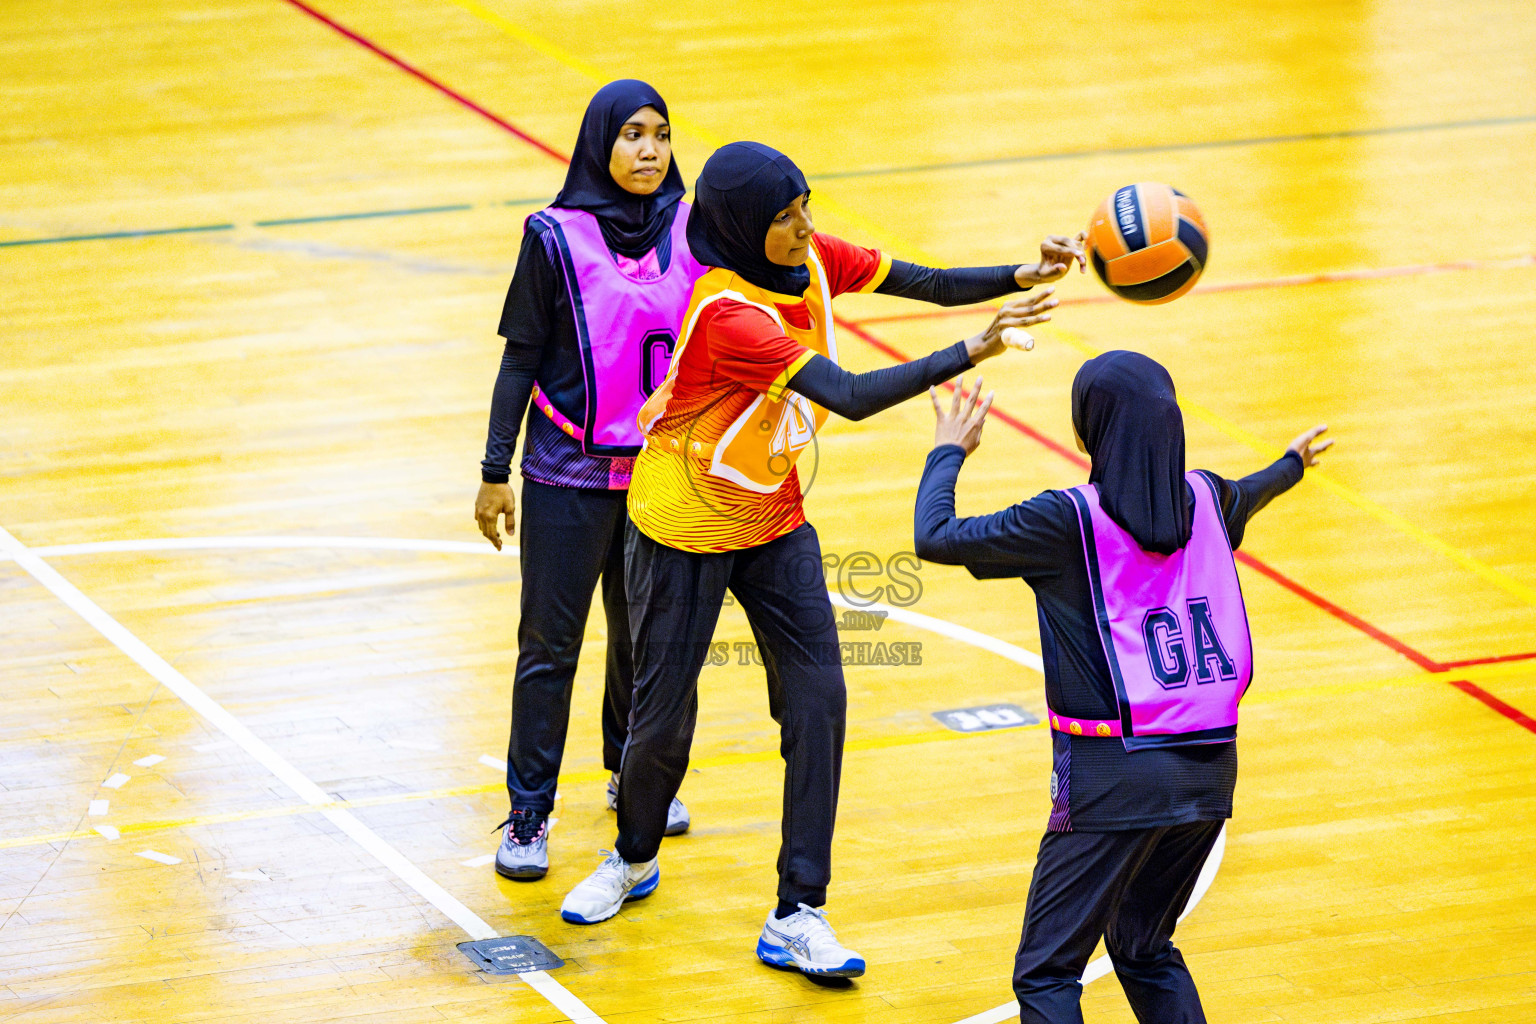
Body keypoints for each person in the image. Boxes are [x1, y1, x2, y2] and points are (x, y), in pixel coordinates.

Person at [558, 140, 1087, 981]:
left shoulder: (807, 259)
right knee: (660, 722)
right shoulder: (729, 315)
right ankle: (632, 855)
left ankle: (799, 912)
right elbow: (849, 394)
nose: (806, 225)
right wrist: (970, 353)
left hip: (772, 523)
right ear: (740, 229)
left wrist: (1022, 274)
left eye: (807, 204)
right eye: (785, 216)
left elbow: (925, 281)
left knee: (820, 707)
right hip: (681, 529)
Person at [913, 351, 1332, 1023]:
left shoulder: (1064, 521)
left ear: (1089, 432)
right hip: (1210, 775)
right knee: (1142, 944)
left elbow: (935, 536)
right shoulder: (1208, 499)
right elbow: (1250, 491)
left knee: (1048, 973)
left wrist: (947, 452)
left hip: (1112, 775)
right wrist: (1291, 466)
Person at [475, 80, 701, 882]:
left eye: (662, 135)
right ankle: (529, 811)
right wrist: (493, 470)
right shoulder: (552, 237)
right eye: (632, 134)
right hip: (567, 476)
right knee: (549, 647)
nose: (649, 149)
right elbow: (518, 358)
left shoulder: (692, 227)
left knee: (644, 642)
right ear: (600, 143)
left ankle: (629, 777)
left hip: (662, 475)